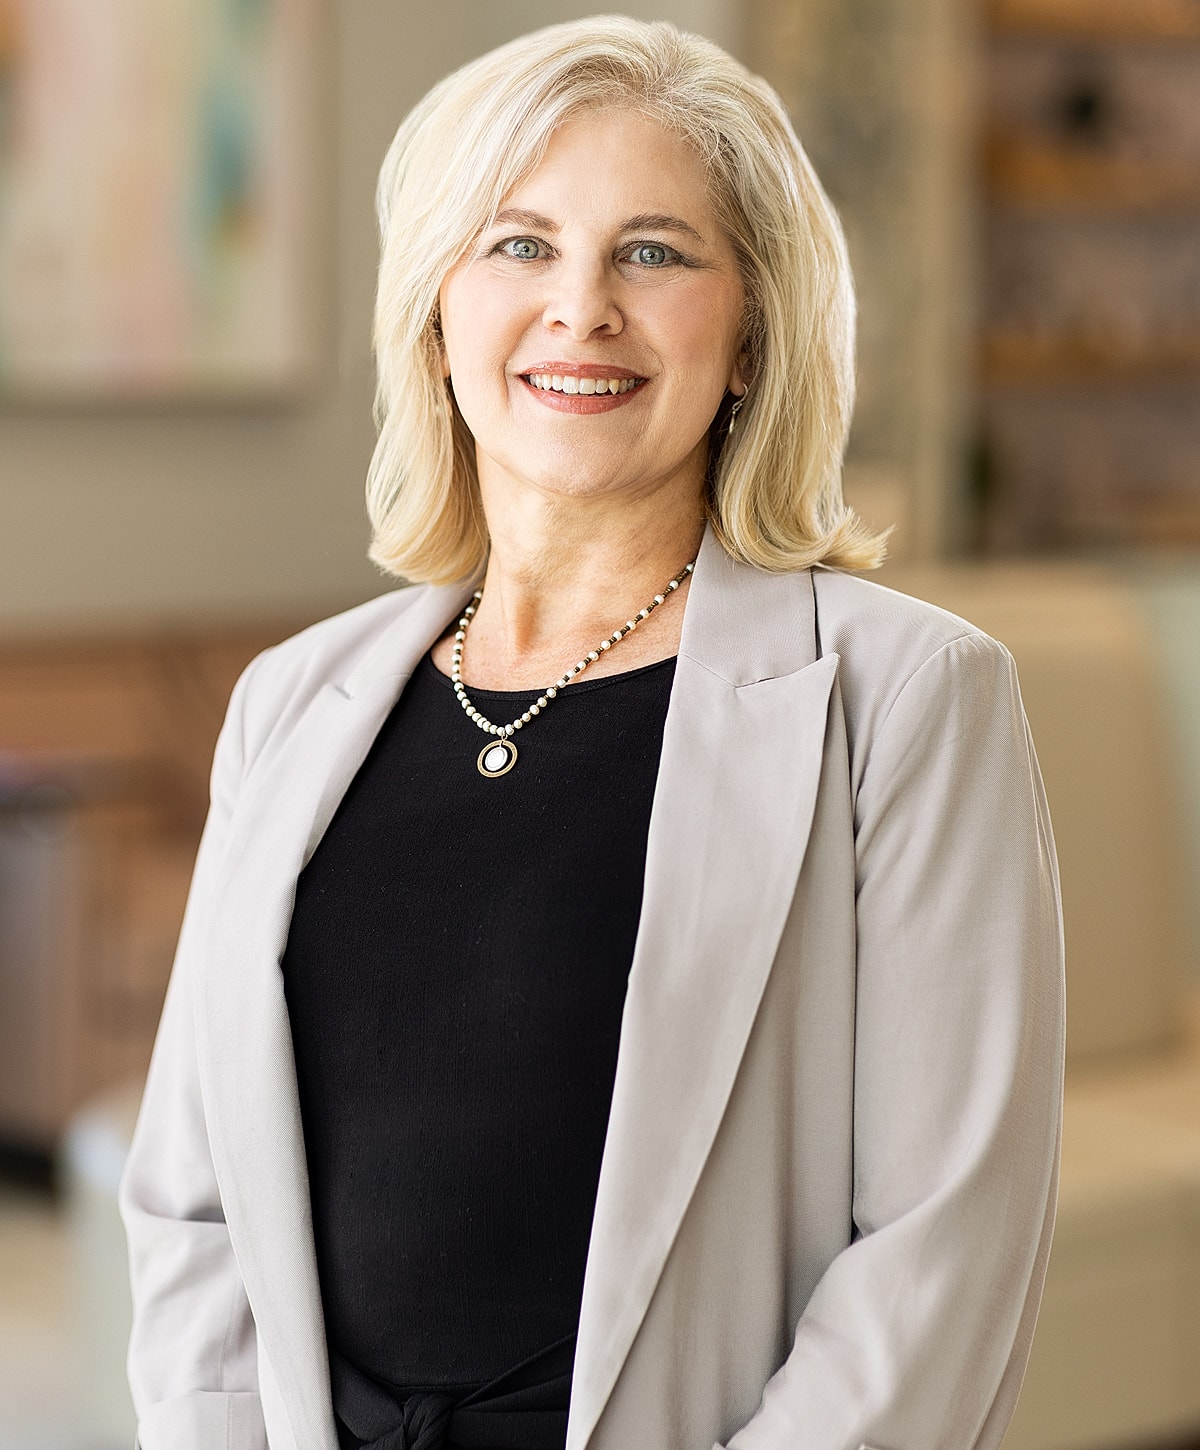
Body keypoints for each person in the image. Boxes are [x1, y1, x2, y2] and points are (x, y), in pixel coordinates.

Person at [119, 16, 1064, 1450]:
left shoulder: (910, 700)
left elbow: (944, 1252)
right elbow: (190, 1203)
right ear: (437, 316)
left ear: (751, 334)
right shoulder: (288, 705)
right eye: (517, 245)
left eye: (654, 251)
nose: (581, 308)